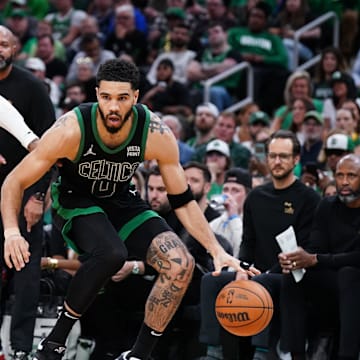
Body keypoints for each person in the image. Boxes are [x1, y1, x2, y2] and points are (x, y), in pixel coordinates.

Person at [0, 58, 244, 360]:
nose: (113, 107)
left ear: (136, 97)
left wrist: (216, 250)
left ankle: (137, 355)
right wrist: (11, 231)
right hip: (76, 199)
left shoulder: (156, 132)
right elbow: (14, 181)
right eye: (106, 97)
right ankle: (53, 343)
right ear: (97, 93)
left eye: (122, 98)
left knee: (181, 264)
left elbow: (181, 198)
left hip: (121, 199)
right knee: (112, 252)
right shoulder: (71, 128)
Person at [199, 130, 321, 360]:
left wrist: (262, 274)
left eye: (283, 156)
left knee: (262, 281)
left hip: (291, 275)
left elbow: (304, 248)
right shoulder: (256, 196)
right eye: (273, 155)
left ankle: (262, 353)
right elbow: (248, 242)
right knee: (211, 280)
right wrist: (241, 269)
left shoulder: (310, 199)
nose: (277, 161)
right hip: (257, 271)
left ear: (296, 159)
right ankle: (213, 352)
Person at [0, 25, 56, 360]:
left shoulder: (31, 88)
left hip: (21, 195)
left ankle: (21, 349)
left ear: (16, 49)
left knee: (25, 274)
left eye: (4, 44)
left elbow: (47, 146)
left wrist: (38, 197)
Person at [279, 154, 360, 359]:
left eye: (352, 176)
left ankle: (347, 355)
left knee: (348, 273)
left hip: (354, 277)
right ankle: (296, 353)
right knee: (293, 275)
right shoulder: (326, 206)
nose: (344, 181)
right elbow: (316, 247)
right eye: (339, 175)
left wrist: (316, 259)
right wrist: (295, 257)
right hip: (333, 275)